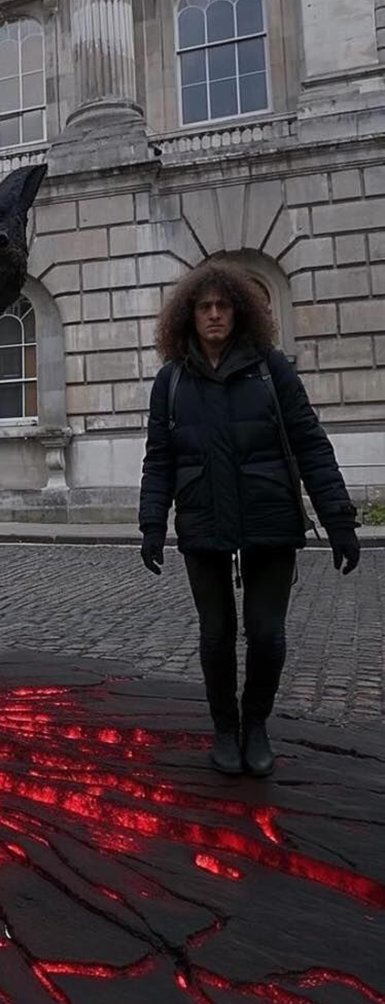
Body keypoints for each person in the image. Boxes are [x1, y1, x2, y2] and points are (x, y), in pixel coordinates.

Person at [138, 260, 360, 778]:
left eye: (223, 306)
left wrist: (340, 521)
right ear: (189, 316)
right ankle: (224, 727)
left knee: (267, 636)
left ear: (239, 313)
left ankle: (255, 722)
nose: (214, 315)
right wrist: (152, 524)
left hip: (270, 515)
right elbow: (160, 459)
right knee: (216, 635)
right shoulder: (170, 381)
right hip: (203, 518)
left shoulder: (271, 368)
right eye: (204, 307)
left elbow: (310, 444)